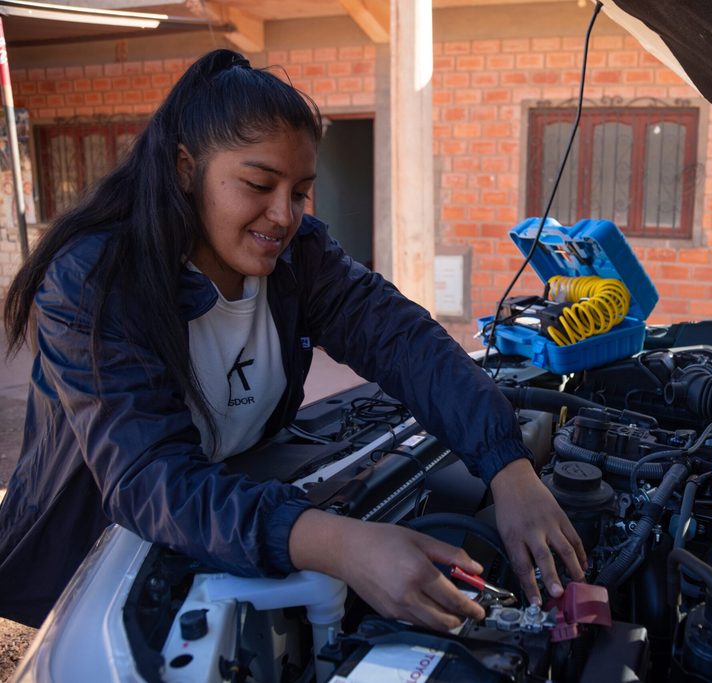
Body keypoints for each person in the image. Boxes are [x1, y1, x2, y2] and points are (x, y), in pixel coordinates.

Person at [0, 49, 585, 630]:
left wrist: (508, 467)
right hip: (103, 583)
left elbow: (402, 339)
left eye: (300, 191)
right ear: (185, 169)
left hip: (231, 537)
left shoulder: (300, 255)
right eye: (259, 184)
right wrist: (344, 544)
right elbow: (150, 477)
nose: (282, 215)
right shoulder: (95, 280)